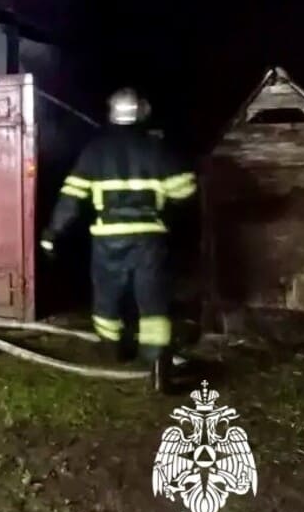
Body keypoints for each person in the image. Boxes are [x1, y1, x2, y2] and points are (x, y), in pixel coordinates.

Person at [39, 88, 197, 393]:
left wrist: (52, 233)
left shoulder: (94, 152)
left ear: (112, 114)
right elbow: (185, 192)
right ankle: (158, 368)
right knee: (152, 301)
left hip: (107, 239)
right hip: (148, 239)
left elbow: (71, 199)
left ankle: (113, 350)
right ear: (142, 113)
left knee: (108, 297)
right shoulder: (156, 148)